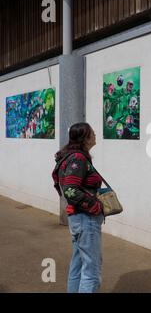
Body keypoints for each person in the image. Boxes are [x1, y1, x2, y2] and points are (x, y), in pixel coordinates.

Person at [52, 122, 104, 293]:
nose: (95, 134)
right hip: (85, 219)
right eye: (92, 132)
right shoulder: (78, 159)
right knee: (91, 272)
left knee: (78, 265)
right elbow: (71, 190)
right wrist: (95, 206)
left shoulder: (71, 156)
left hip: (78, 219)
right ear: (85, 138)